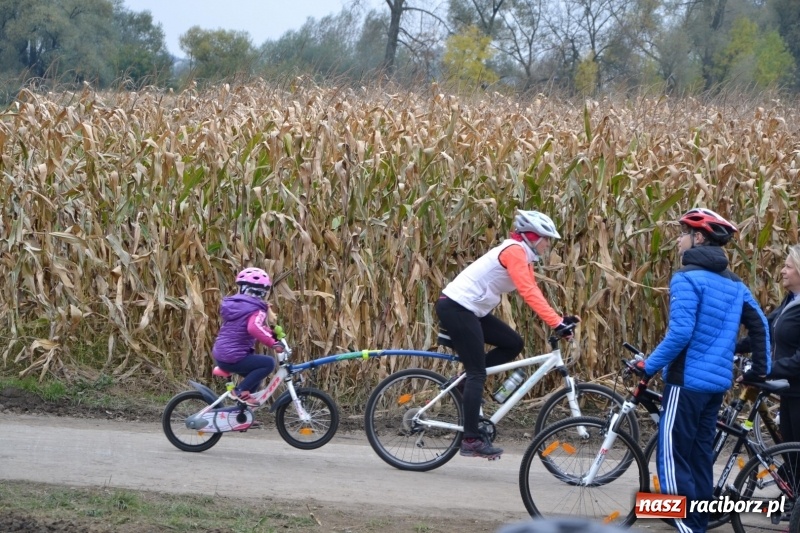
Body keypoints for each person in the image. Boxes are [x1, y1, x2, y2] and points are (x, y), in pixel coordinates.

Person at [637, 208, 770, 533]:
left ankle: (685, 527)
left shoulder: (686, 278)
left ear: (698, 237)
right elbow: (761, 326)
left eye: (682, 233)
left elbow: (680, 334)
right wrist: (759, 371)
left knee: (670, 459)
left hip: (685, 384)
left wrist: (648, 366)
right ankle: (695, 523)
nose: (679, 240)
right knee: (698, 459)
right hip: (715, 387)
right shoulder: (735, 284)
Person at [435, 209, 580, 460]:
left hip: (471, 309)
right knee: (477, 372)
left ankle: (462, 384)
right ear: (533, 236)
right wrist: (556, 323)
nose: (548, 245)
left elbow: (534, 291)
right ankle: (470, 439)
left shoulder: (524, 255)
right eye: (546, 239)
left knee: (513, 343)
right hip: (457, 307)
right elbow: (528, 292)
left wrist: (559, 321)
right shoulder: (513, 251)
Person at [737, 244, 800, 442]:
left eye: (788, 267)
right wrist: (727, 347)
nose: (782, 271)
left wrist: (765, 370)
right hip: (790, 391)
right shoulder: (790, 302)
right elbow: (763, 333)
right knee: (791, 462)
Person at [212, 267, 284, 407]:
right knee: (268, 363)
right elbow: (253, 327)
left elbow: (253, 326)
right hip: (233, 356)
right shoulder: (256, 308)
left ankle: (242, 415)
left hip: (223, 353)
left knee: (254, 379)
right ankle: (239, 391)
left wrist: (271, 334)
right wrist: (272, 343)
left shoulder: (238, 306)